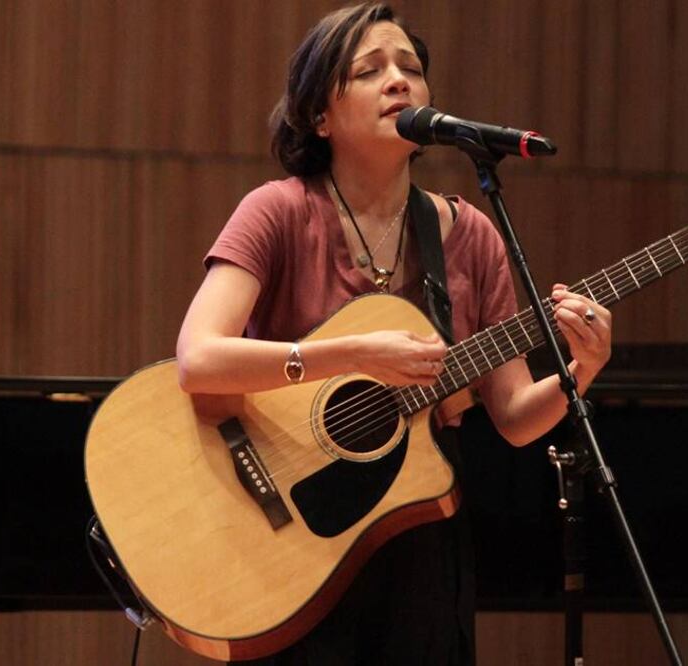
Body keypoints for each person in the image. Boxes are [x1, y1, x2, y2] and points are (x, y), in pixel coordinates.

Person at [175, 3, 612, 664]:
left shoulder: (468, 236)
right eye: (370, 69)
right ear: (320, 115)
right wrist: (351, 353)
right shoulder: (279, 211)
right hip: (294, 532)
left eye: (410, 67)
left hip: (419, 544)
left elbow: (516, 418)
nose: (399, 81)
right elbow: (199, 358)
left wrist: (580, 368)